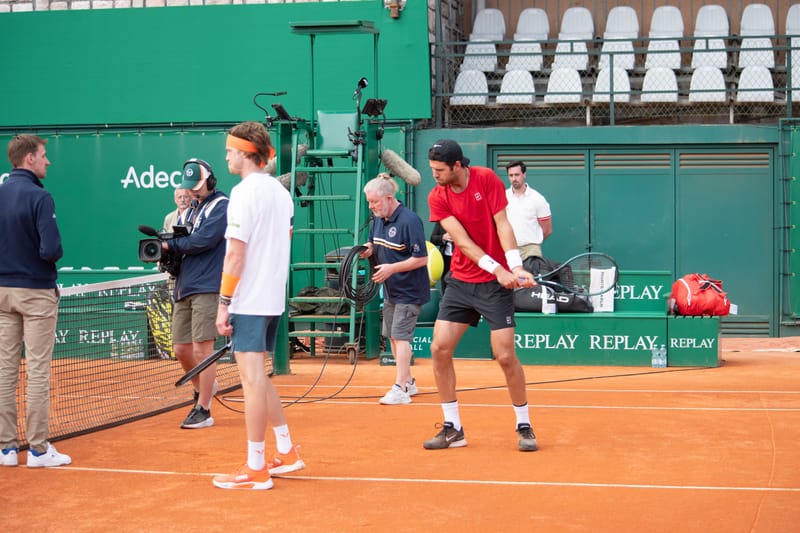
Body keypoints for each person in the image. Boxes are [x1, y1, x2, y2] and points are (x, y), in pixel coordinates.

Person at [425, 139, 539, 452]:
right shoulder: (438, 195)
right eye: (432, 169)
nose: (434, 174)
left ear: (457, 166)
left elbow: (503, 225)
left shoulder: (486, 178)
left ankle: (524, 423)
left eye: (439, 170)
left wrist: (514, 266)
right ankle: (453, 428)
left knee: (504, 356)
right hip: (461, 282)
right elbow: (461, 241)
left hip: (494, 287)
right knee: (439, 349)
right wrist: (497, 269)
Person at [213, 121, 304, 490]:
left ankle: (255, 468)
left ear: (246, 153)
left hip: (249, 300)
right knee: (260, 379)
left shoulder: (244, 192)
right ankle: (287, 451)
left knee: (251, 382)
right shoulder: (281, 193)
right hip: (271, 300)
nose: (227, 156)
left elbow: (235, 254)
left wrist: (224, 303)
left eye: (231, 151)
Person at [0, 134, 71, 467]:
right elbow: (51, 250)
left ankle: (7, 449)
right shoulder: (41, 197)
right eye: (44, 155)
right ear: (29, 158)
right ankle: (39, 450)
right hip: (36, 292)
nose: (48, 161)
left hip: (2, 293)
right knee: (38, 371)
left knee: (5, 370)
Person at [162, 159, 228, 429]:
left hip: (208, 286)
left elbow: (204, 240)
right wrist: (167, 248)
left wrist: (171, 245)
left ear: (211, 181)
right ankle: (204, 388)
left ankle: (203, 408)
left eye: (198, 186)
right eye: (191, 187)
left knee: (203, 349)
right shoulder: (188, 211)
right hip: (183, 285)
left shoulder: (222, 206)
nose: (194, 192)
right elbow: (184, 239)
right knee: (180, 348)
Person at [360, 174, 429, 405]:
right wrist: (367, 250)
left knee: (401, 336)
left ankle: (400, 388)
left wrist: (391, 268)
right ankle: (408, 382)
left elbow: (421, 259)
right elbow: (372, 243)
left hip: (410, 290)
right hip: (390, 290)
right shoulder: (378, 219)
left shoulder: (410, 221)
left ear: (389, 198)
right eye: (369, 202)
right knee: (392, 336)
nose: (371, 207)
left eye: (374, 202)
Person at [504, 160, 552, 260]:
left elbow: (547, 230)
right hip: (508, 249)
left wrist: (533, 240)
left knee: (531, 276)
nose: (514, 178)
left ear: (524, 174)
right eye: (511, 175)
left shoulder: (537, 199)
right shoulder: (503, 197)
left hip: (530, 250)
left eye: (517, 175)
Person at [429, 221, 453, 293]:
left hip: (458, 258)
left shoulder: (462, 220)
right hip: (445, 258)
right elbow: (433, 238)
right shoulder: (441, 221)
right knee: (445, 282)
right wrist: (443, 237)